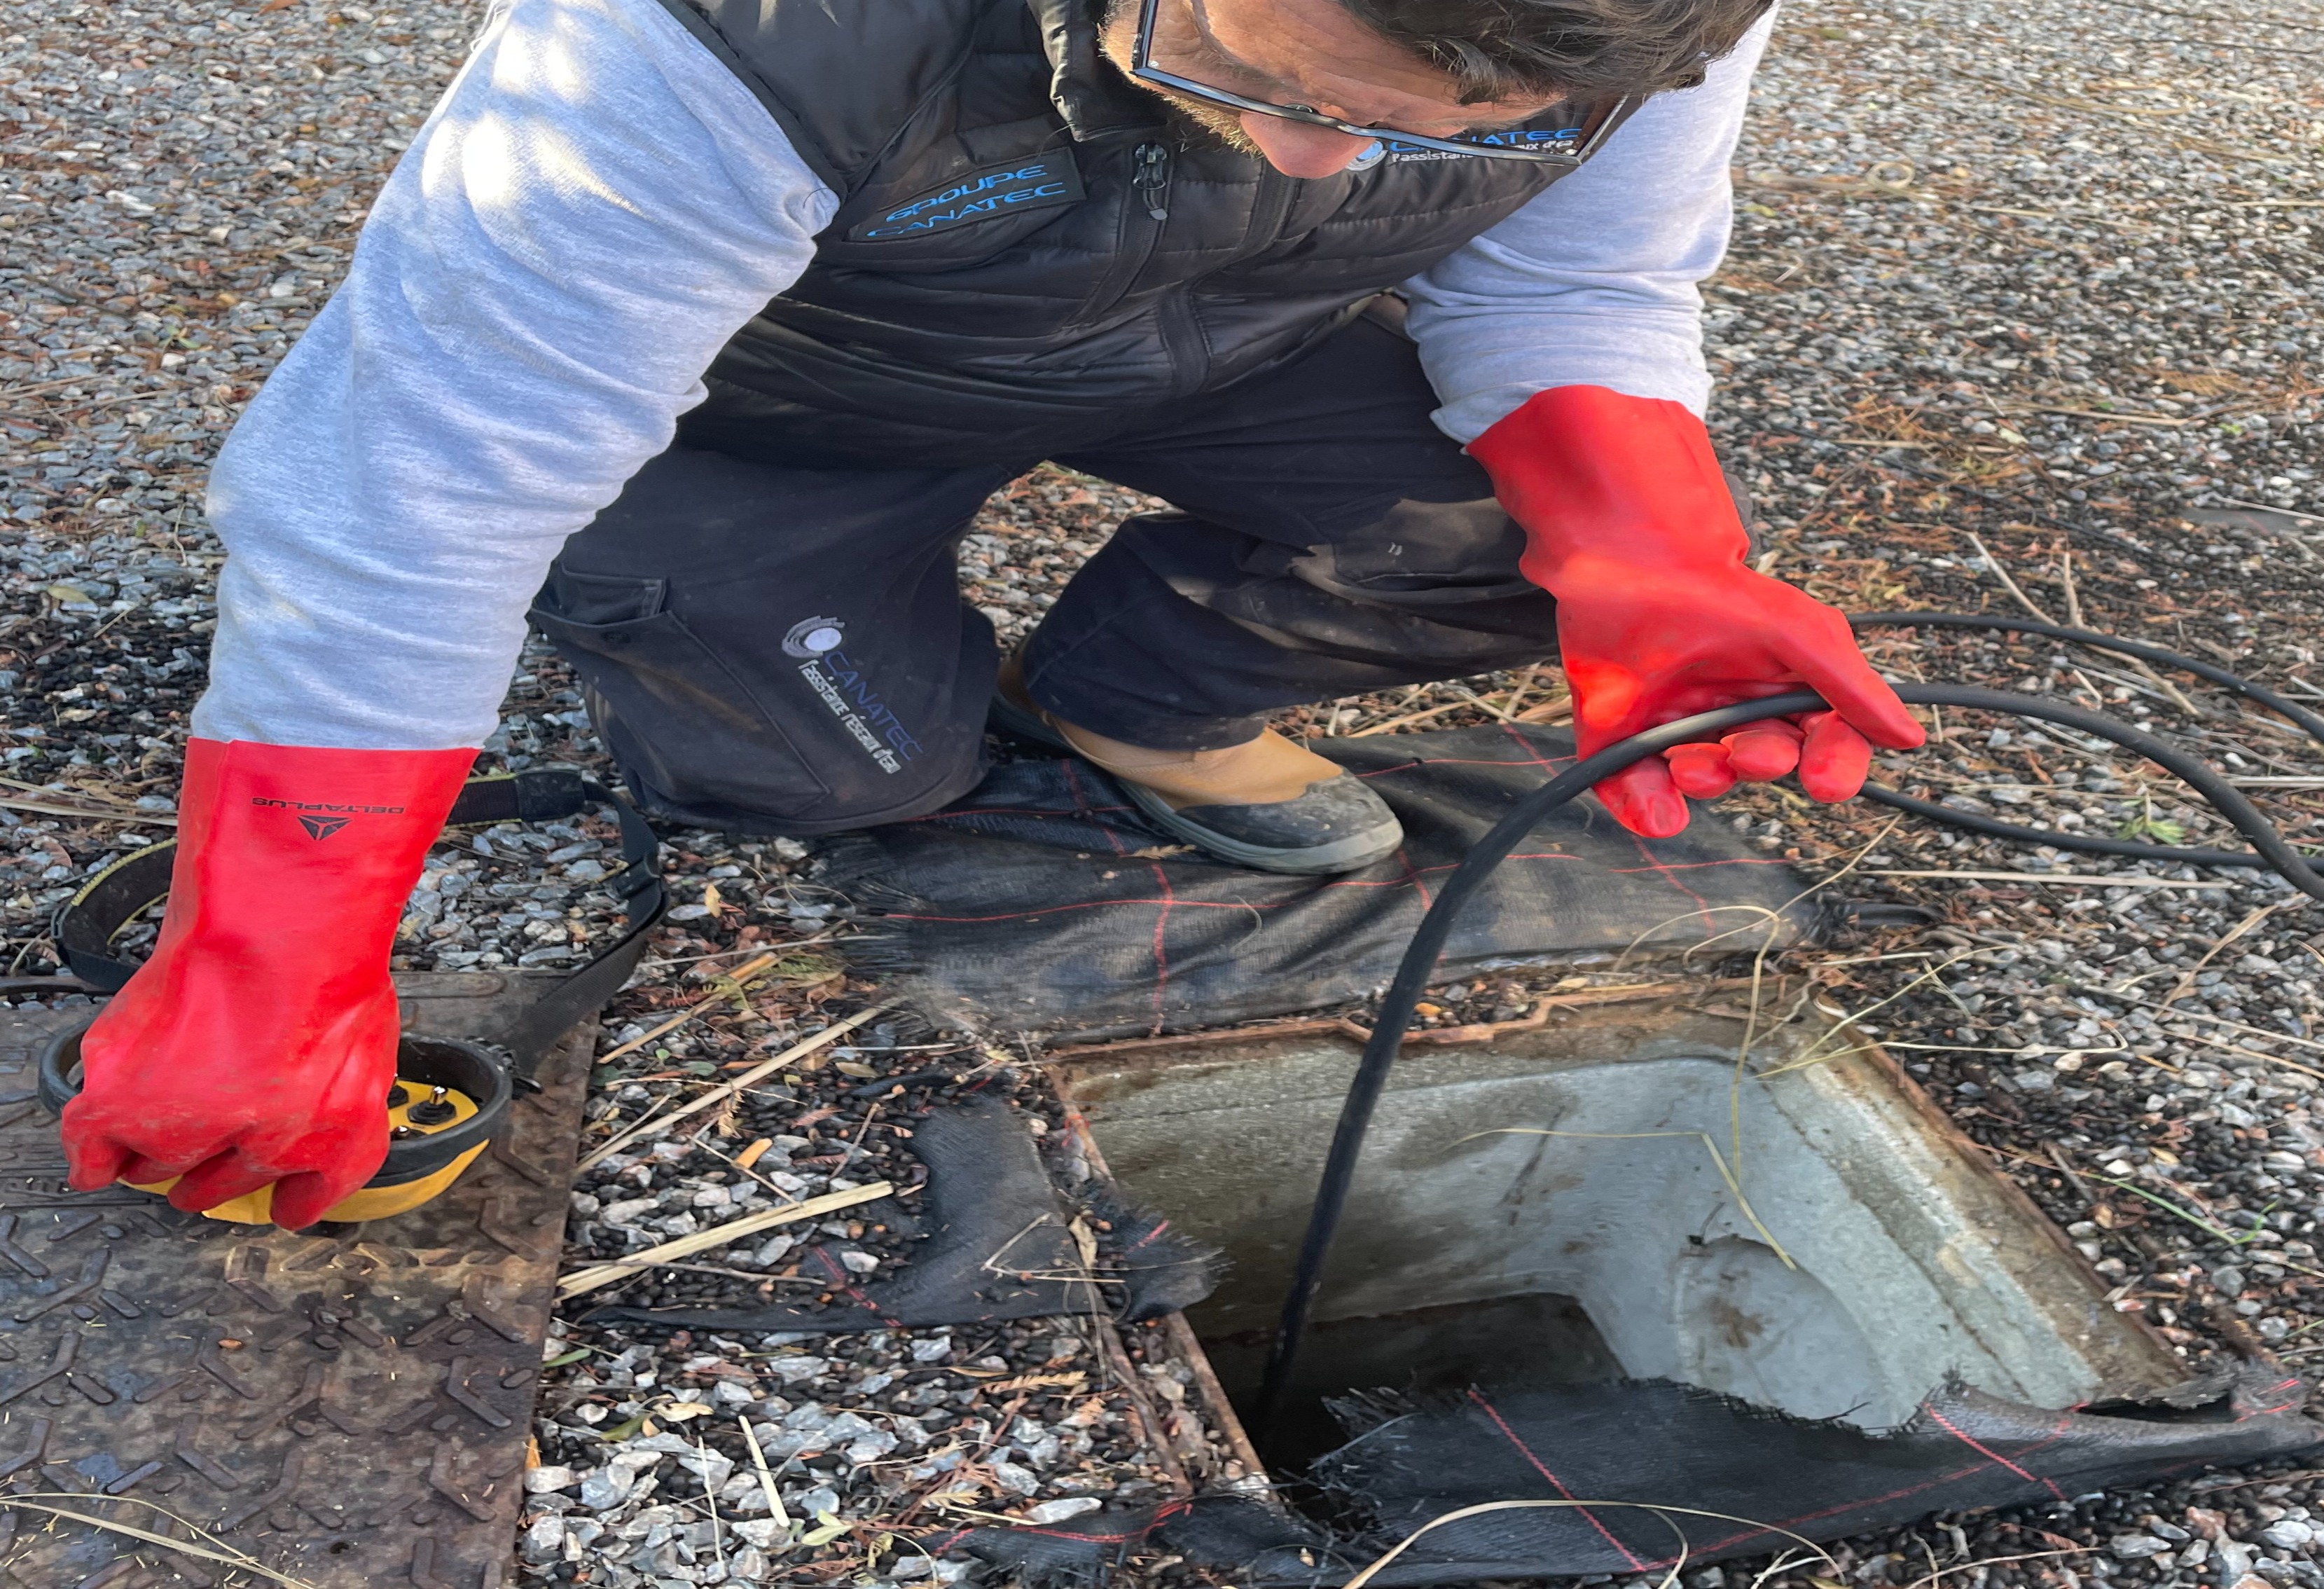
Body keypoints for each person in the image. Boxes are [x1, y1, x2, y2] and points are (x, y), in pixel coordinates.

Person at [57, 0, 1928, 1227]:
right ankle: (789, 644)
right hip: (777, 408)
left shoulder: (1647, 16)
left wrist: (1651, 554)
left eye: (1429, 130)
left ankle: (1142, 695)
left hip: (1202, 343)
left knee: (1521, 532)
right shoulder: (739, 35)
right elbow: (411, 481)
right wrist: (267, 947)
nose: (1308, 158)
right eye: (1245, 75)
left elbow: (1579, 288)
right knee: (846, 775)